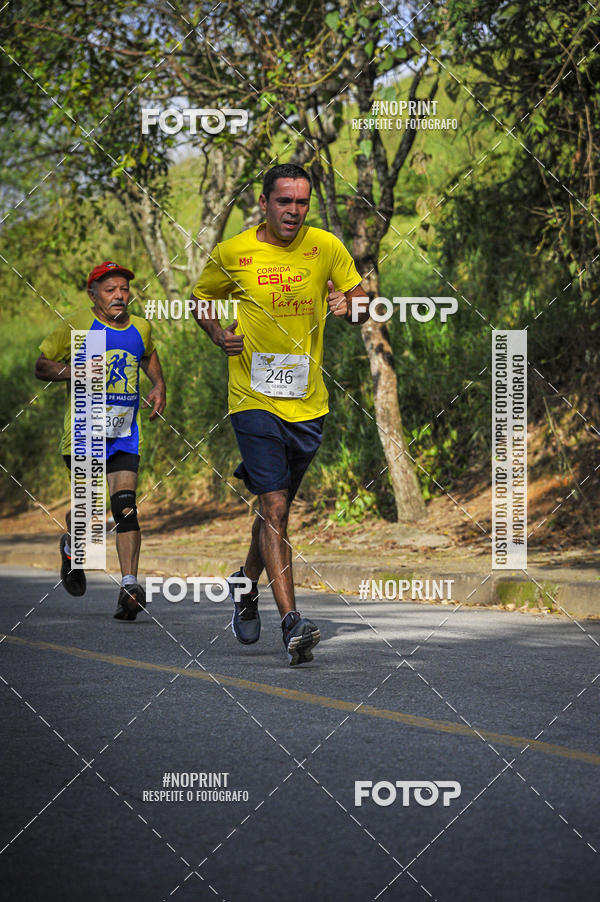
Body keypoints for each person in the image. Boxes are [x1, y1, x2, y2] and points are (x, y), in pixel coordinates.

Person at [190, 163, 368, 665]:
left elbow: (361, 303)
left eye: (302, 202)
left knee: (277, 507)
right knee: (274, 506)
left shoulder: (326, 247)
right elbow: (200, 300)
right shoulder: (234, 252)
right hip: (251, 398)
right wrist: (218, 334)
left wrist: (348, 307)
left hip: (308, 404)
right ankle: (292, 621)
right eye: (284, 201)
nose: (294, 211)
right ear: (264, 202)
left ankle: (244, 585)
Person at [35, 261, 166, 621]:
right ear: (94, 294)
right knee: (91, 520)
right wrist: (72, 370)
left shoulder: (140, 326)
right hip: (84, 431)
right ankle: (73, 548)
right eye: (110, 290)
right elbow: (41, 365)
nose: (119, 296)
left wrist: (158, 385)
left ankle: (129, 586)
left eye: (124, 289)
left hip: (124, 432)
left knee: (125, 506)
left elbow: (148, 354)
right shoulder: (80, 326)